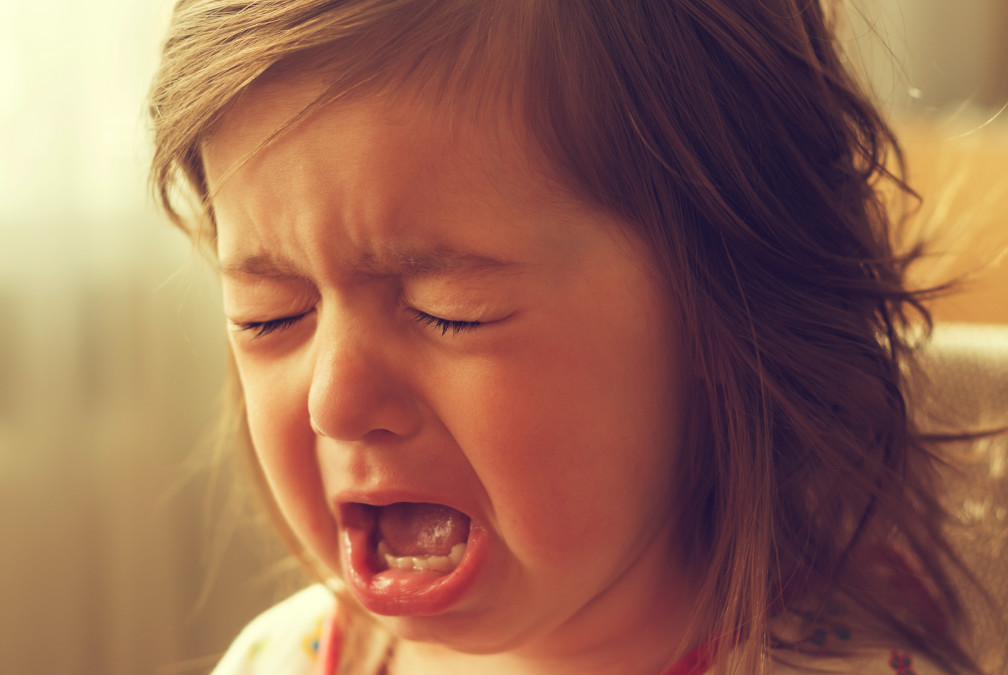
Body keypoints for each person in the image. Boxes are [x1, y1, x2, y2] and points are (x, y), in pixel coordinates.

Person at [147, 1, 996, 673]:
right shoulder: (285, 659)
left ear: (718, 301)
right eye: (268, 315)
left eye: (452, 306)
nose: (336, 397)